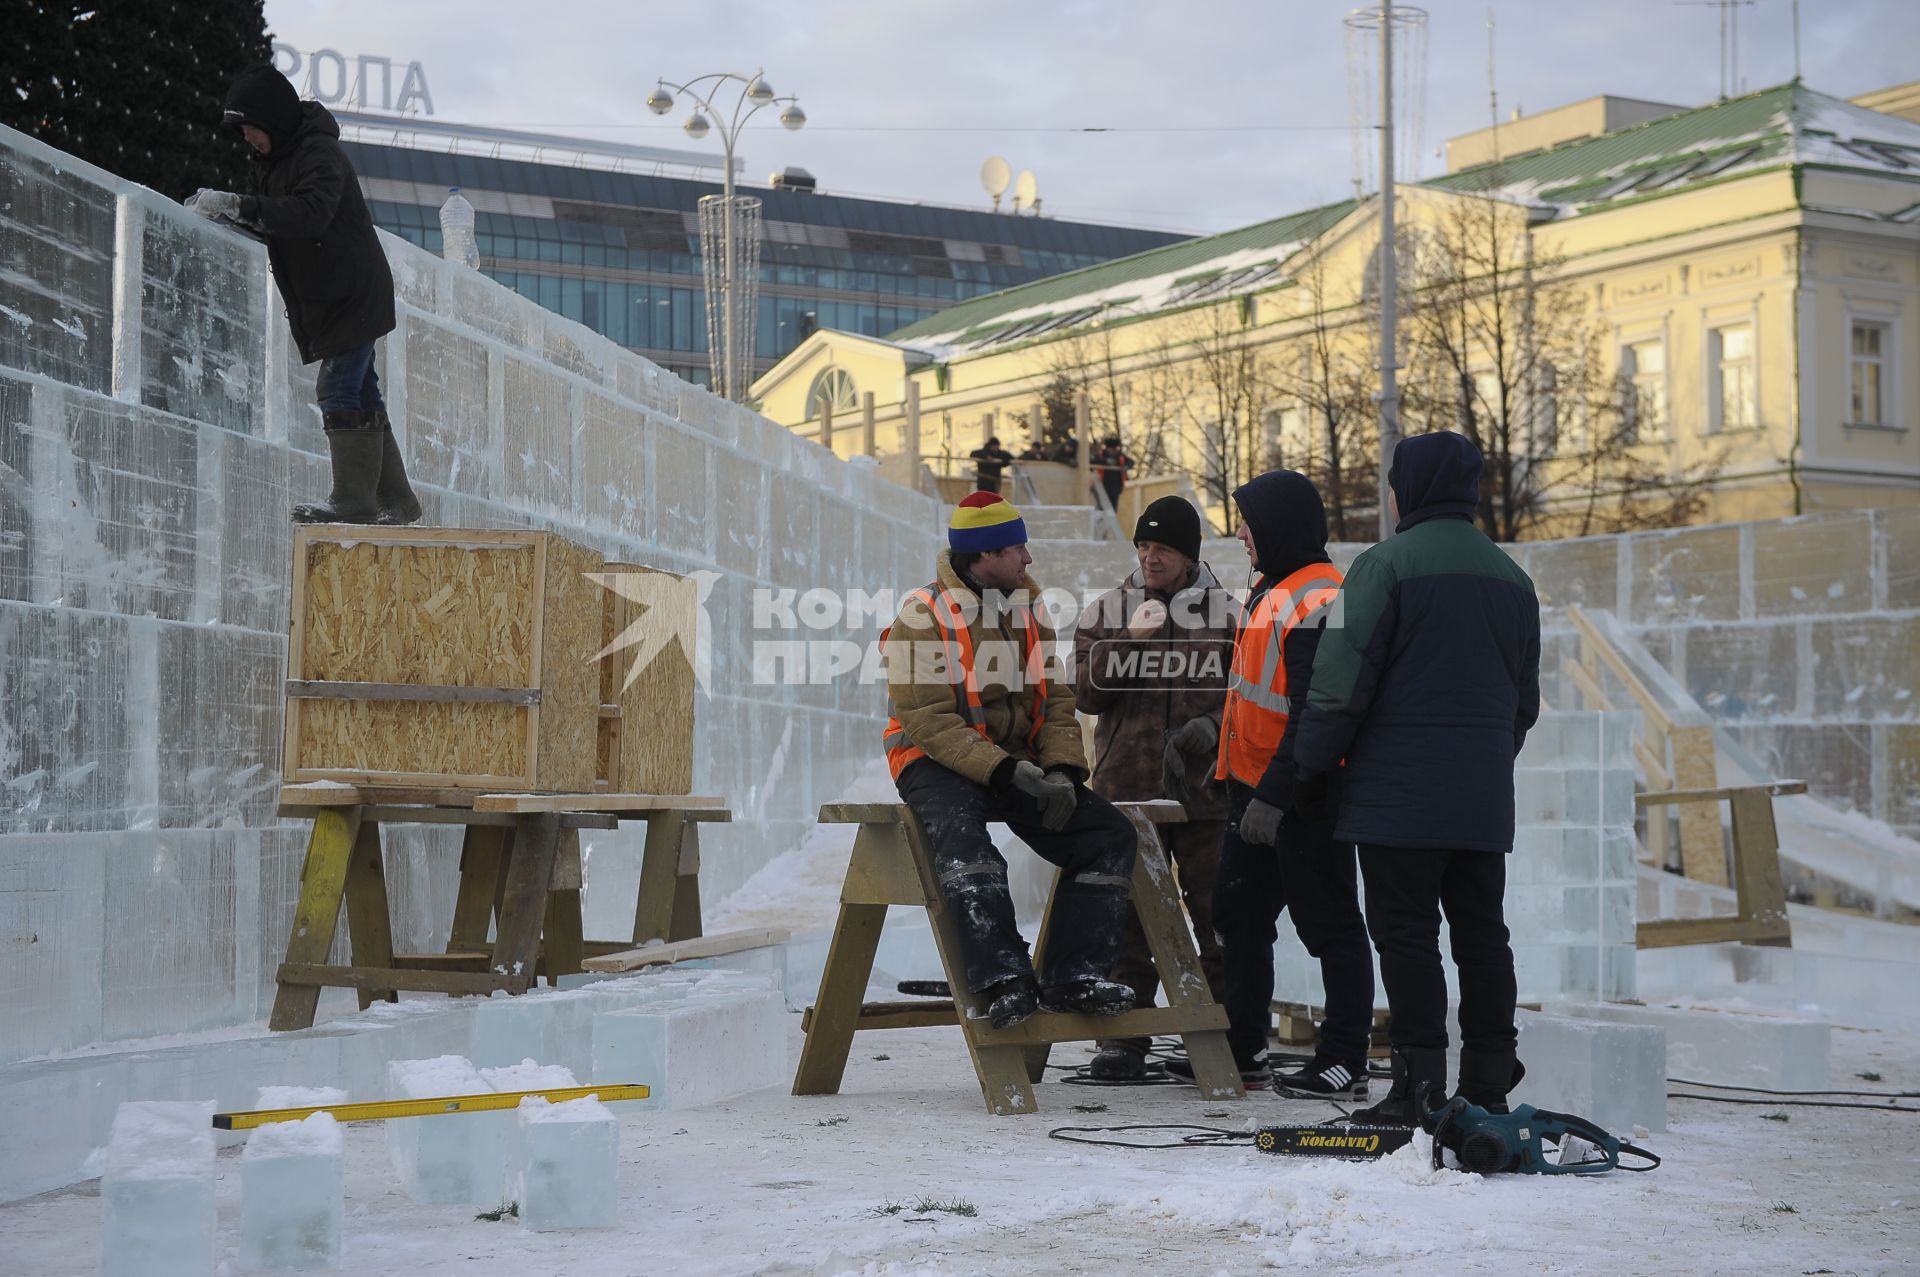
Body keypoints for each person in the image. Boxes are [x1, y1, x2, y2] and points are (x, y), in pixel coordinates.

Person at [1292, 431, 1541, 1126]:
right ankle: (1489, 1080)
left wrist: (1308, 768)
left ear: (1413, 488)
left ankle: (1418, 1083)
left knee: (1406, 936)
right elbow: (1524, 703)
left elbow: (1339, 684)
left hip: (1397, 799)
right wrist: (1483, 762)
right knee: (1482, 934)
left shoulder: (1381, 567)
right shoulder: (1513, 579)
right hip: (1482, 798)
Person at [883, 491, 1138, 1028]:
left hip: (1009, 758)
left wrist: (1063, 771)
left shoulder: (1028, 609)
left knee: (1108, 836)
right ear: (984, 557)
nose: (1029, 560)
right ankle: (1003, 978)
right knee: (967, 847)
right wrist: (1004, 769)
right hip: (933, 758)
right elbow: (927, 719)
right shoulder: (921, 616)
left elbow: (1056, 700)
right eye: (1018, 549)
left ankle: (1074, 976)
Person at [1172, 470, 1375, 1094]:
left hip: (1304, 797)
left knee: (1330, 923)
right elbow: (1261, 697)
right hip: (1253, 791)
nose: (1240, 533)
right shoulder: (1274, 589)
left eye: (1249, 522)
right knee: (1238, 914)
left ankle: (1345, 1057)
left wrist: (1276, 797)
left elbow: (1320, 712)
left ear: (1280, 526)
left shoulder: (1320, 598)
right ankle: (1245, 1046)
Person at [188, 64, 419, 526]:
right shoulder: (274, 165)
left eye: (252, 128)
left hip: (352, 292)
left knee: (337, 387)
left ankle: (355, 502)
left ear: (273, 120)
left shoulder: (319, 155)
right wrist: (233, 217)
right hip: (332, 296)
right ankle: (397, 500)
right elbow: (279, 222)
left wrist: (239, 205)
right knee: (362, 391)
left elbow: (310, 214)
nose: (248, 139)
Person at [1071, 495, 1237, 1081]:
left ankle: (1227, 1036)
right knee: (1127, 918)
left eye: (1162, 548)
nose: (1150, 557)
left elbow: (1250, 699)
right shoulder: (1106, 612)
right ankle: (1124, 1039)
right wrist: (1131, 643)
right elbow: (1085, 694)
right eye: (1143, 546)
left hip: (1206, 793)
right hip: (1127, 790)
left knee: (1217, 914)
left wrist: (1209, 730)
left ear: (1189, 554)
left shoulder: (1228, 615)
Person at [1094, 436, 1133, 510]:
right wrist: (1105, 461)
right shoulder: (1101, 455)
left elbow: (1131, 462)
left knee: (1113, 507)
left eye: (1114, 449)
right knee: (1102, 506)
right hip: (1103, 484)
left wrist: (1126, 466)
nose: (1113, 451)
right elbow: (1093, 461)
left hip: (1116, 486)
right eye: (1111, 449)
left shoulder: (1120, 456)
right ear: (1107, 448)